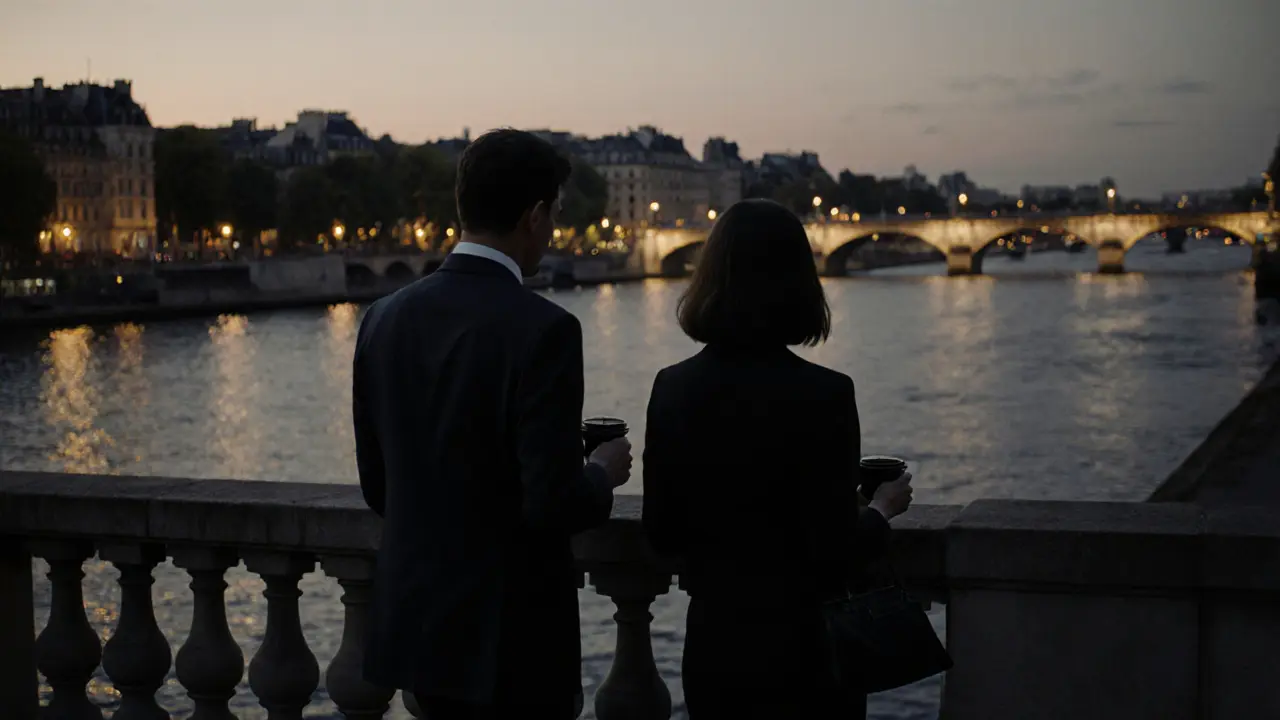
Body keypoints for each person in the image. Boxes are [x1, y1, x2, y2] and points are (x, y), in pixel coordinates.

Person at [353, 129, 633, 719]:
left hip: (423, 638)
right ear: (534, 215)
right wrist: (600, 474)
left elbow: (381, 489)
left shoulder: (383, 318)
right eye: (555, 212)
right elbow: (551, 503)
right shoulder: (545, 329)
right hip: (512, 645)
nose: (554, 227)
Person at [641, 199, 914, 719]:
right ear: (800, 283)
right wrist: (879, 510)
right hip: (809, 652)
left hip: (716, 648)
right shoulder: (828, 393)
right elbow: (833, 547)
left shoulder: (672, 388)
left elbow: (663, 533)